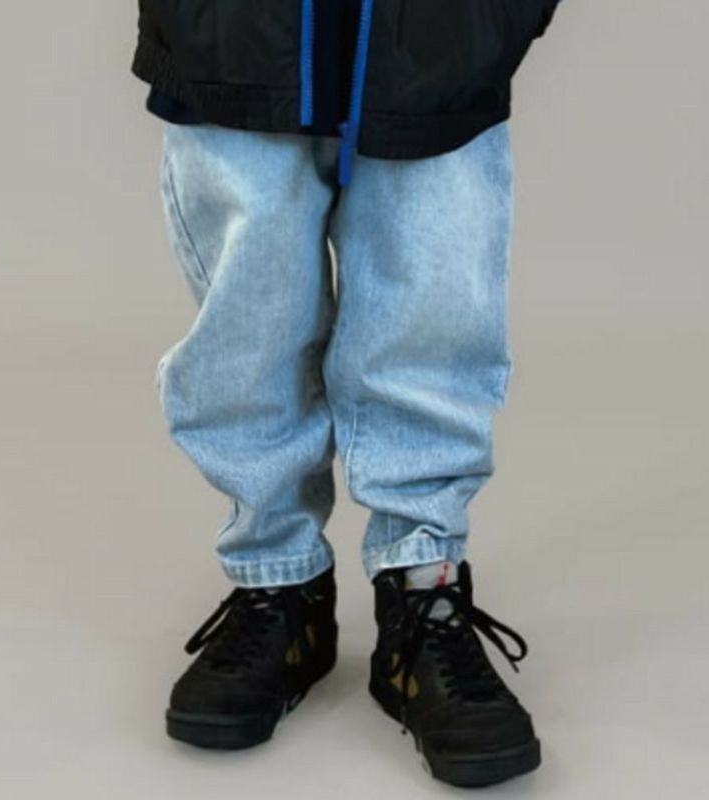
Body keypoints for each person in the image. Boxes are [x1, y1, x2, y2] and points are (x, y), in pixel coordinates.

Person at [131, 0, 560, 788]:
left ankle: (423, 588)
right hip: (230, 28)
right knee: (247, 327)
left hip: (441, 31)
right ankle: (277, 583)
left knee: (430, 317)